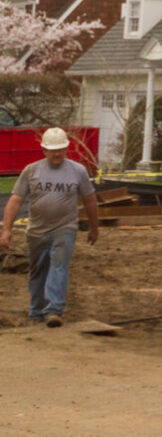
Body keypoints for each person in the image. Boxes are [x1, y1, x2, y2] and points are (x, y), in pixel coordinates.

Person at [1, 128, 100, 327]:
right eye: (52, 150)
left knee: (59, 265)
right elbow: (15, 200)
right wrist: (7, 229)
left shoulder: (77, 171)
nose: (57, 154)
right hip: (37, 230)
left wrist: (94, 227)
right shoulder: (31, 170)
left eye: (61, 149)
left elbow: (90, 200)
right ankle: (37, 309)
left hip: (65, 227)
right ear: (44, 150)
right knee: (38, 270)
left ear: (66, 149)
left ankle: (54, 309)